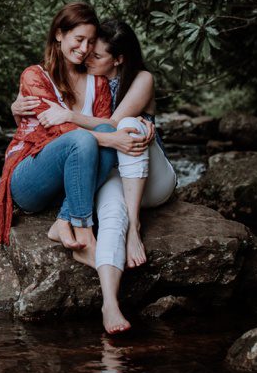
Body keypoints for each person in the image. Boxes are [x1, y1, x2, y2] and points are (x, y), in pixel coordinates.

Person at [12, 18, 176, 333]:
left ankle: (135, 227)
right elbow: (49, 124)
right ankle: (111, 306)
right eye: (87, 51)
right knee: (112, 217)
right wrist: (16, 106)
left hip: (149, 176)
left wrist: (71, 116)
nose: (88, 57)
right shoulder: (89, 79)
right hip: (112, 169)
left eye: (96, 55)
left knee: (129, 125)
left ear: (119, 59)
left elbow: (111, 125)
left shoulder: (141, 79)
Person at [0, 3, 151, 269]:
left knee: (101, 131)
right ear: (59, 34)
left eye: (90, 42)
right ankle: (85, 236)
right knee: (86, 138)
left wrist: (134, 124)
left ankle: (64, 220)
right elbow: (56, 132)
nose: (84, 49)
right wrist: (111, 140)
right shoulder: (35, 76)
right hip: (31, 178)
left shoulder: (97, 81)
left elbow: (105, 126)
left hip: (73, 183)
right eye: (78, 39)